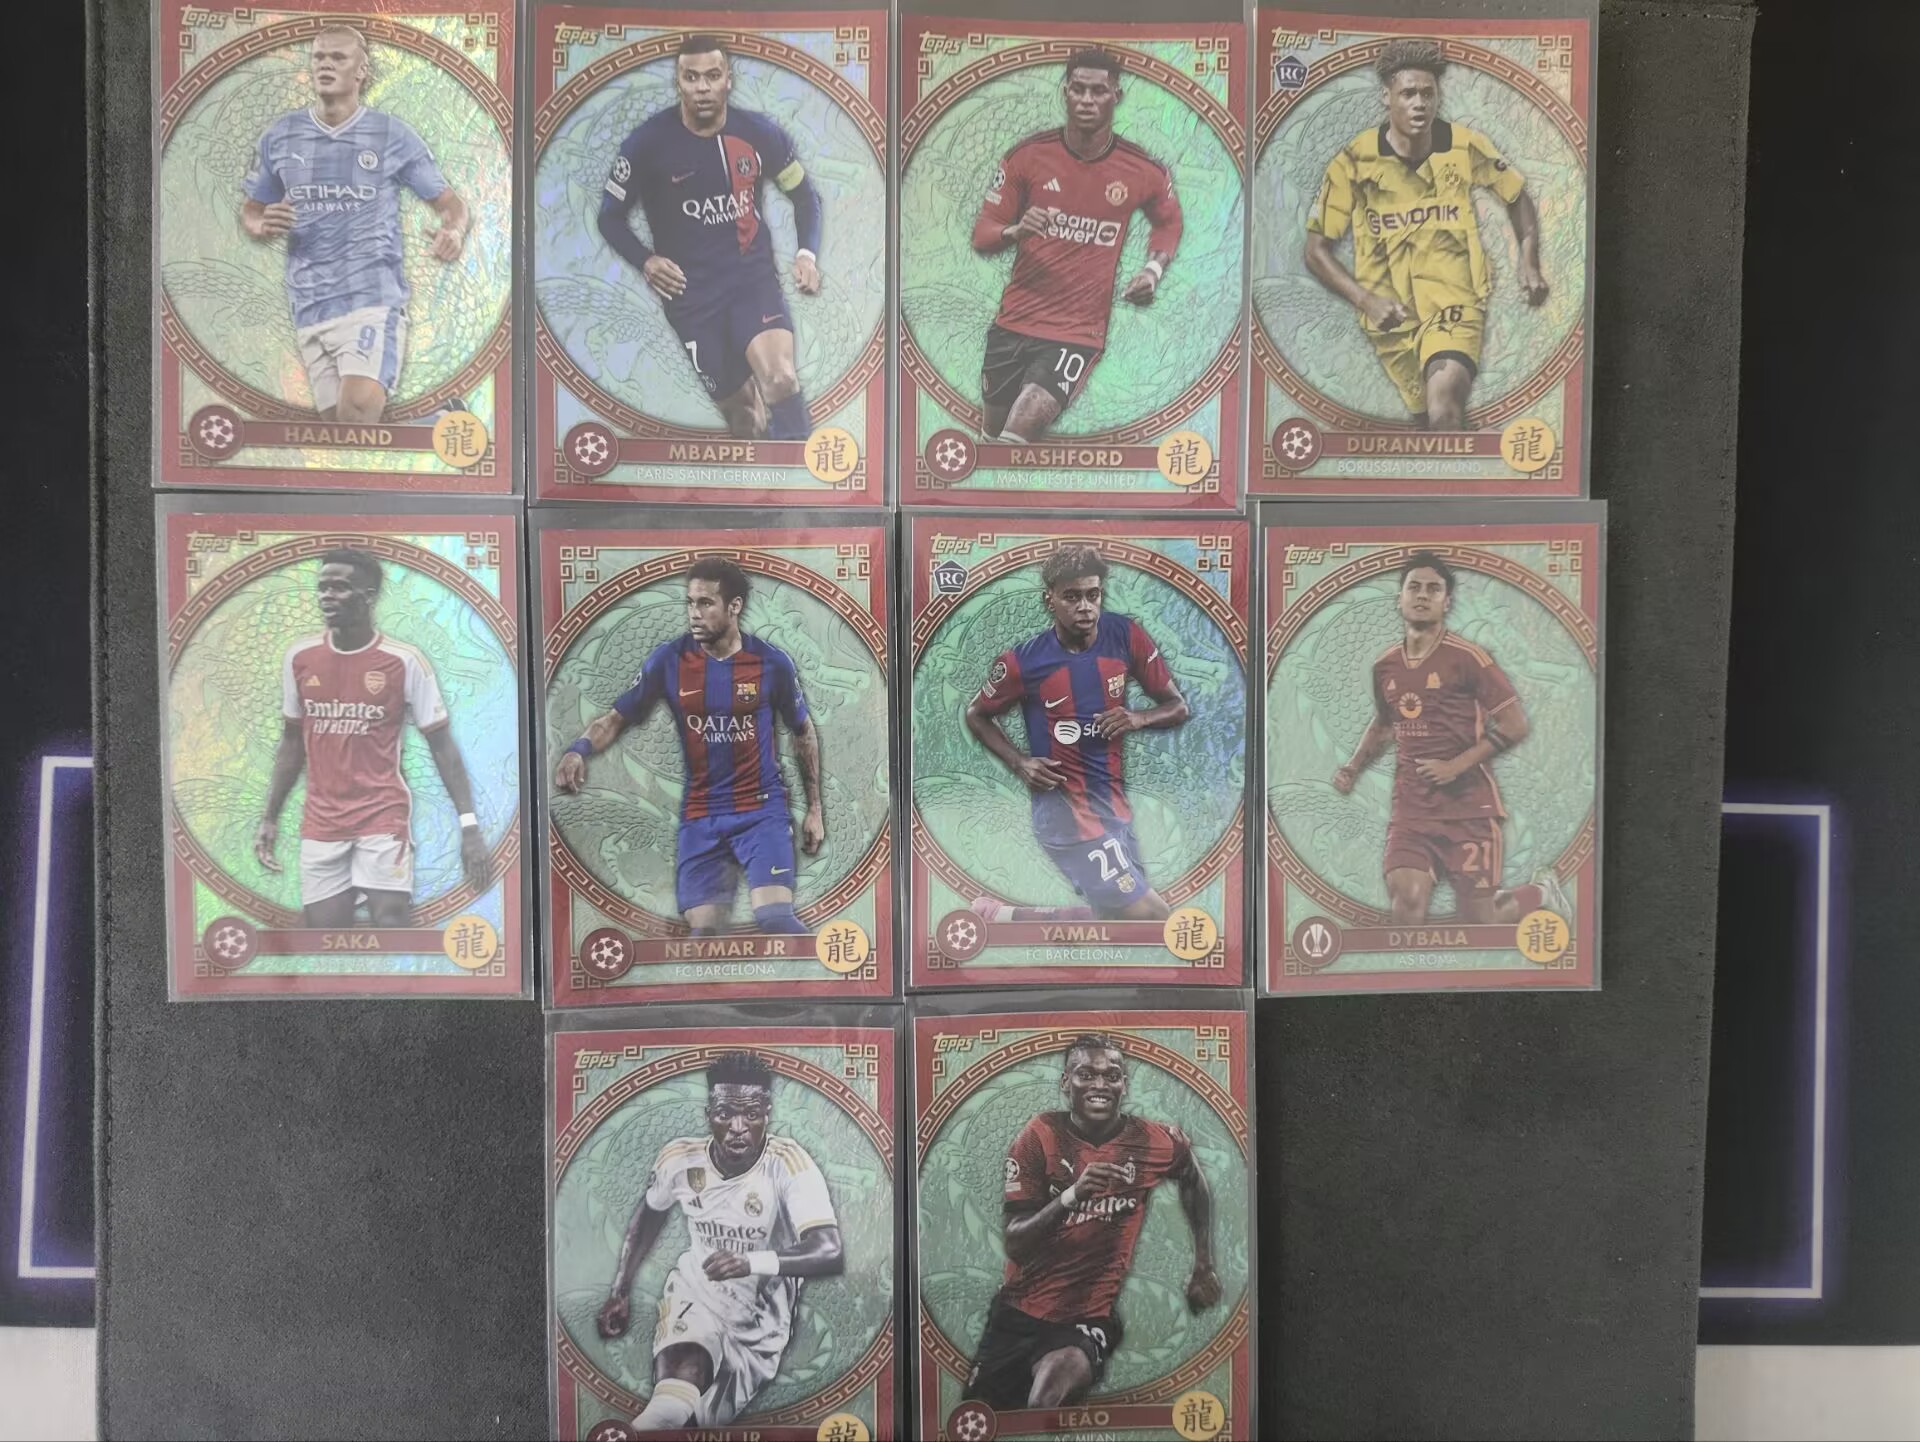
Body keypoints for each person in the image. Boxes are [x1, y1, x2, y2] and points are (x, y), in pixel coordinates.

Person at [554, 557, 823, 935]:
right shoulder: (669, 660)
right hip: (701, 814)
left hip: (762, 811)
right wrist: (577, 750)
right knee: (705, 935)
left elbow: (803, 732)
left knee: (775, 918)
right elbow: (614, 719)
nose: (694, 613)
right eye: (690, 603)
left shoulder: (772, 663)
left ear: (734, 606)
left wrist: (814, 808)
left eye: (706, 603)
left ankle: (824, 968)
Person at [1302, 37, 1548, 429]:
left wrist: (1528, 261)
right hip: (1389, 318)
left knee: (1444, 403)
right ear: (1386, 97)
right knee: (1427, 423)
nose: (1419, 103)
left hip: (1455, 301)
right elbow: (1316, 250)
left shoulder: (1464, 146)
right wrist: (1365, 300)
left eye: (1427, 94)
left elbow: (1516, 195)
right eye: (1408, 94)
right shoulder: (1353, 161)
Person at [964, 1034, 1219, 1410]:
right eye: (1086, 1074)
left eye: (1111, 1076)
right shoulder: (1039, 1137)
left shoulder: (1152, 1141)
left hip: (1087, 1318)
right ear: (1065, 1082)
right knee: (978, 1420)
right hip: (1016, 1313)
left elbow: (1192, 1178)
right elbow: (1016, 1243)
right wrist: (1071, 1197)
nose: (1100, 1085)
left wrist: (1203, 1263)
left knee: (1045, 1399)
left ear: (1124, 1085)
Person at [596, 1051, 844, 1431]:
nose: (738, 1127)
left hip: (759, 1324)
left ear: (767, 1114)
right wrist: (620, 1289)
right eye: (725, 1113)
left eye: (751, 1114)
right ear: (709, 1114)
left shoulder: (789, 1164)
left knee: (698, 1425)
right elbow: (649, 1215)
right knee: (673, 1398)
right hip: (698, 1293)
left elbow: (829, 1249)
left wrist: (751, 1263)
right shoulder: (680, 1159)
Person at [599, 34, 823, 439]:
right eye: (691, 77)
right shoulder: (645, 144)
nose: (702, 87)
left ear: (728, 80)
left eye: (712, 76)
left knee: (779, 378)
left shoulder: (761, 134)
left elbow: (805, 197)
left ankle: (801, 471)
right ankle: (760, 478)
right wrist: (645, 260)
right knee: (745, 418)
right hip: (690, 298)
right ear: (678, 83)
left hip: (751, 282)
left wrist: (806, 254)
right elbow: (610, 218)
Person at [241, 24, 469, 422]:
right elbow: (252, 208)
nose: (325, 65)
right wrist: (260, 223)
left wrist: (454, 230)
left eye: (338, 57)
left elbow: (451, 204)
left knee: (357, 412)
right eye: (319, 57)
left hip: (371, 298)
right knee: (342, 436)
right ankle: (438, 422)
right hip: (308, 303)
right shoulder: (281, 136)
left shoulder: (391, 134)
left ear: (361, 70)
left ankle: (437, 424)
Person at [254, 548, 489, 925]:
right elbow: (292, 743)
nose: (327, 596)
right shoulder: (300, 657)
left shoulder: (404, 661)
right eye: (323, 587)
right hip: (321, 821)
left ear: (368, 596)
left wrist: (469, 825)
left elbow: (443, 747)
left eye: (339, 587)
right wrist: (270, 817)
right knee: (326, 933)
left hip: (382, 816)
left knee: (391, 923)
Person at [965, 546, 1188, 925]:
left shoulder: (1125, 635)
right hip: (1067, 815)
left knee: (1117, 923)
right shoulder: (1023, 662)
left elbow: (1177, 707)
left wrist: (1138, 718)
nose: (1085, 607)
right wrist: (1019, 763)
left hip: (1114, 809)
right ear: (1049, 600)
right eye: (1071, 597)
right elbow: (977, 714)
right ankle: (1003, 918)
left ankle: (1003, 917)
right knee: (1154, 917)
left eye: (1092, 595)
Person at [970, 50, 1182, 443]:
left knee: (1021, 428)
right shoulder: (1027, 157)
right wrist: (1014, 231)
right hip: (1012, 322)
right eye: (1078, 89)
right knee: (991, 439)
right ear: (1065, 92)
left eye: (1098, 91)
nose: (1087, 100)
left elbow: (1168, 222)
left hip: (1077, 332)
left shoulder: (1143, 170)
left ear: (1116, 96)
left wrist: (1152, 271)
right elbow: (983, 234)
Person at [1333, 551, 1556, 923]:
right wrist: (1352, 768)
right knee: (1407, 900)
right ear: (1399, 598)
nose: (1422, 595)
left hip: (1468, 809)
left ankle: (1542, 892)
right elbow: (1385, 724)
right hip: (1411, 810)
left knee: (1480, 918)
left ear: (1447, 602)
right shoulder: (1385, 665)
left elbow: (1516, 724)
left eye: (1433, 589)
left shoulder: (1469, 658)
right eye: (1414, 587)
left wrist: (1455, 766)